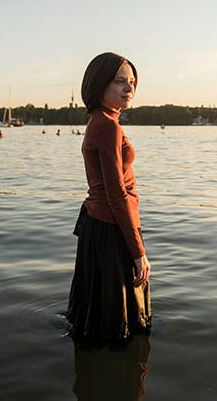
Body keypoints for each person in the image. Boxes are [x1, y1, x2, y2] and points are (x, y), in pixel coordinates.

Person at [66, 52, 151, 345]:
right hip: (110, 225)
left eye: (132, 82)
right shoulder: (108, 126)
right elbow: (116, 195)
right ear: (100, 84)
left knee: (97, 317)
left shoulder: (100, 121)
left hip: (100, 225)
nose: (129, 88)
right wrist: (138, 251)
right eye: (119, 81)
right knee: (118, 324)